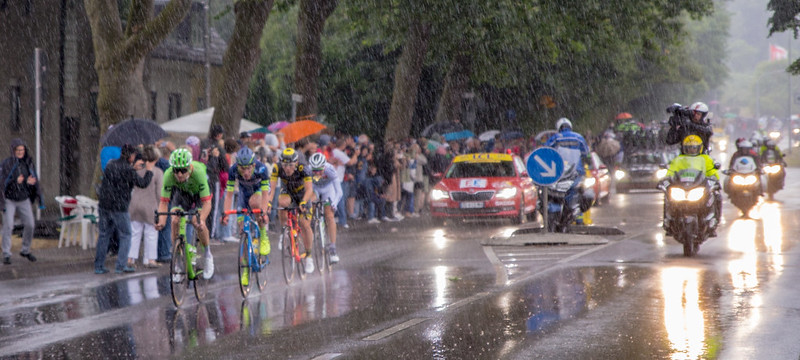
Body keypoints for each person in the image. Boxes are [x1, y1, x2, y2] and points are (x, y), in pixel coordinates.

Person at [154, 148, 215, 279]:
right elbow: (164, 202)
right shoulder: (168, 175)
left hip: (199, 195)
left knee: (197, 222)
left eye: (183, 170)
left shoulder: (198, 173)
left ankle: (207, 255)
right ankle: (177, 258)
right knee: (175, 220)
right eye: (176, 170)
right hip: (182, 194)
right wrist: (162, 221)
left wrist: (202, 219)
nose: (179, 174)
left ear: (189, 167)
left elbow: (207, 203)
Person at [95, 144, 154, 274]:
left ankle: (98, 266)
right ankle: (121, 266)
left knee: (104, 235)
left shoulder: (110, 164)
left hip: (104, 205)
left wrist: (132, 168)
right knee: (126, 235)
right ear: (131, 156)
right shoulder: (128, 170)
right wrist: (149, 171)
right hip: (119, 207)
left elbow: (119, 176)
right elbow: (143, 183)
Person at [265, 148, 315, 273]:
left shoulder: (304, 168)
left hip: (303, 194)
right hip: (288, 192)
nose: (287, 169)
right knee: (282, 202)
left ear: (296, 163)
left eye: (291, 165)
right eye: (285, 165)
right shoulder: (277, 168)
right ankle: (284, 231)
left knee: (304, 224)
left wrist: (303, 202)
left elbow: (309, 189)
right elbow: (271, 189)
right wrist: (268, 203)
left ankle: (309, 256)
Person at [221, 147, 272, 269]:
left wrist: (264, 212)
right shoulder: (233, 170)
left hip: (259, 191)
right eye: (242, 168)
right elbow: (229, 195)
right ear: (237, 166)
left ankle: (263, 235)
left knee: (254, 203)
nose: (245, 172)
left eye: (248, 168)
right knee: (242, 228)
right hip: (244, 194)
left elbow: (265, 194)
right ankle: (245, 267)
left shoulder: (261, 168)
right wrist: (225, 213)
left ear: (254, 165)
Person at [663, 135, 721, 237]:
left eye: (694, 147)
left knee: (716, 196)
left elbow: (712, 172)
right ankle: (668, 222)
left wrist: (714, 180)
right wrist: (665, 181)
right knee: (668, 197)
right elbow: (670, 172)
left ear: (700, 148)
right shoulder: (679, 160)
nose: (692, 150)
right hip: (683, 187)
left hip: (699, 186)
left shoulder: (706, 159)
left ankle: (713, 222)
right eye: (689, 147)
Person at [0, 139, 43, 265]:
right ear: (13, 151)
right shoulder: (7, 164)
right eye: (18, 150)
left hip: (23, 199)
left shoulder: (28, 163)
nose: (20, 152)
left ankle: (25, 250)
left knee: (30, 224)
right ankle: (6, 253)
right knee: (8, 225)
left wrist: (30, 183)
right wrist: (15, 181)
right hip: (9, 200)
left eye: (22, 150)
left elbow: (32, 180)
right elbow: (3, 182)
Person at [128, 145, 163, 268]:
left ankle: (130, 258)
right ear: (156, 158)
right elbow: (159, 193)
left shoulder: (137, 170)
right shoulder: (158, 172)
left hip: (135, 205)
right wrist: (160, 208)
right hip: (150, 206)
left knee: (134, 233)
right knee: (151, 234)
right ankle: (150, 259)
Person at [308, 152, 341, 264]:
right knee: (309, 205)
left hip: (328, 190)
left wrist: (334, 203)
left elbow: (339, 192)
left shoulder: (330, 170)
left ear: (324, 166)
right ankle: (312, 225)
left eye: (319, 170)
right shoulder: (308, 170)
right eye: (315, 171)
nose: (317, 173)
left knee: (329, 216)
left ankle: (333, 248)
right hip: (315, 189)